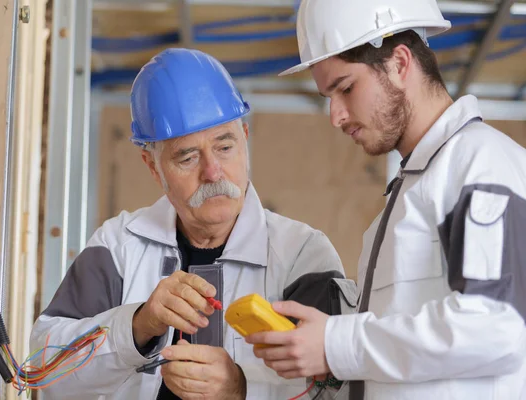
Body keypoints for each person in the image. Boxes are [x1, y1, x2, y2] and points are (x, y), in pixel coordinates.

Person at [30, 48, 353, 399]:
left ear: (245, 138)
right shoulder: (117, 247)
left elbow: (337, 385)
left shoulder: (301, 256)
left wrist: (243, 388)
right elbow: (46, 370)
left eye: (225, 147)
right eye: (188, 156)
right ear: (154, 168)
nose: (213, 172)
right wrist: (138, 325)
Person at [246, 0, 526, 399]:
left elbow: (495, 326)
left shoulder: (479, 165)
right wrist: (323, 346)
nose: (335, 116)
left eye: (345, 88)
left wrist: (335, 344)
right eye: (328, 95)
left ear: (399, 63)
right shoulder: (406, 197)